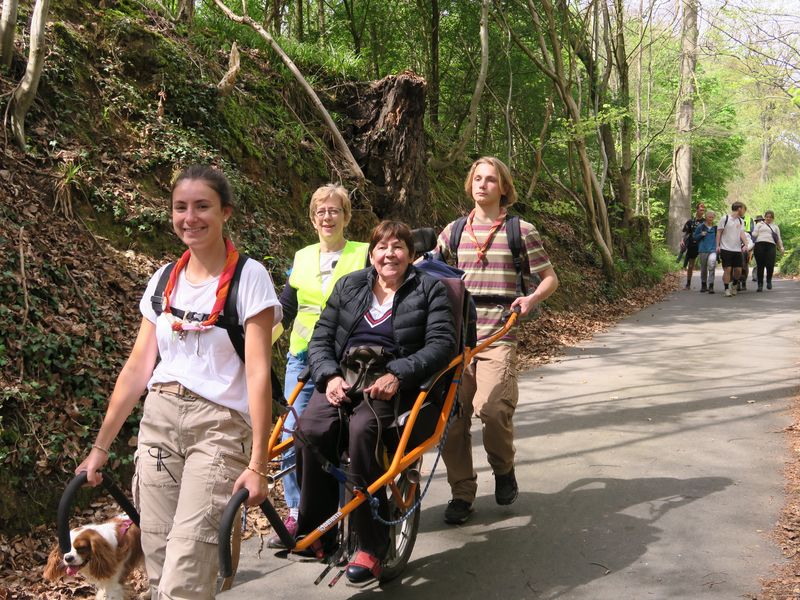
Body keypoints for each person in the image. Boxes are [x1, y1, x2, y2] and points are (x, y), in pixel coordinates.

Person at [75, 165, 281, 599]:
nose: (190, 217)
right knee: (158, 565)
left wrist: (258, 463)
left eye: (202, 206)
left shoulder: (250, 277)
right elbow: (137, 368)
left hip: (220, 427)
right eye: (180, 207)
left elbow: (258, 374)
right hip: (159, 421)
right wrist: (100, 447)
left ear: (225, 212)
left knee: (185, 577)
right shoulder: (164, 278)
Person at [295, 221, 455, 584]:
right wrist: (329, 376)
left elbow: (441, 344)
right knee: (310, 429)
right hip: (344, 374)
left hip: (389, 380)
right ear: (371, 253)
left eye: (398, 247)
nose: (389, 254)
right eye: (382, 247)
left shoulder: (430, 289)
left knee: (363, 431)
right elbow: (320, 338)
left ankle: (371, 545)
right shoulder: (349, 286)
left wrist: (398, 374)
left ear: (411, 255)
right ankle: (318, 530)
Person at [437, 157, 559, 525]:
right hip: (457, 340)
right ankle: (462, 493)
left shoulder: (521, 230)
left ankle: (503, 469)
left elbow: (549, 278)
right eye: (477, 178)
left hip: (499, 335)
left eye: (491, 179)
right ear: (469, 184)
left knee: (493, 411)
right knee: (451, 421)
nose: (483, 185)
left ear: (504, 187)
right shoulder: (453, 232)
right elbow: (427, 272)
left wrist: (531, 299)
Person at [267, 185, 368, 548]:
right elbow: (286, 308)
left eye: (335, 211)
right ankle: (298, 513)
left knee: (338, 434)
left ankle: (344, 513)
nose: (328, 217)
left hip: (347, 356)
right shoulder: (303, 256)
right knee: (290, 433)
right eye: (321, 211)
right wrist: (258, 345)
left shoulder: (364, 254)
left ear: (346, 216)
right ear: (312, 218)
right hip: (302, 355)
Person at [715, 201, 750, 298]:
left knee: (738, 270)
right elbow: (719, 233)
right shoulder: (725, 219)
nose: (744, 212)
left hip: (737, 249)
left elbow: (742, 233)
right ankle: (726, 289)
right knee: (728, 269)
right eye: (743, 209)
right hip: (725, 248)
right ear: (739, 209)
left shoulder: (741, 221)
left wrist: (746, 244)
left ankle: (734, 284)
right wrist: (717, 245)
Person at [751, 210, 785, 291]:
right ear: (764, 217)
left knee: (770, 265)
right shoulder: (760, 224)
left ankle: (769, 280)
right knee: (760, 266)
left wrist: (781, 247)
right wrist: (758, 227)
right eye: (767, 217)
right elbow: (754, 234)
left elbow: (778, 239)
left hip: (771, 246)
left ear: (773, 218)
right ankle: (760, 284)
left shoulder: (775, 227)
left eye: (770, 217)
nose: (768, 218)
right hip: (759, 245)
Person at [681, 203, 706, 289]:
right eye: (701, 210)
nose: (702, 211)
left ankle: (704, 284)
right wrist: (682, 241)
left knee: (704, 265)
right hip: (692, 244)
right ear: (697, 210)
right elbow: (686, 233)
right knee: (691, 265)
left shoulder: (706, 221)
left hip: (703, 244)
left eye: (703, 210)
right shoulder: (690, 221)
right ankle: (688, 284)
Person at [693, 209, 717, 293]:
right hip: (703, 250)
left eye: (712, 217)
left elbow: (719, 238)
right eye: (709, 217)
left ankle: (711, 285)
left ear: (714, 218)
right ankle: (703, 284)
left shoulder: (715, 228)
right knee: (703, 268)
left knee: (712, 265)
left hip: (713, 250)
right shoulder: (701, 226)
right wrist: (701, 234)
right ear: (706, 217)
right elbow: (694, 237)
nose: (710, 218)